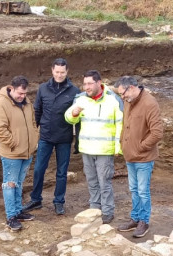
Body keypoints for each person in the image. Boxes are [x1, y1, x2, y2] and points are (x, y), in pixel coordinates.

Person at [22, 58, 81, 216]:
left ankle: (59, 201)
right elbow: (37, 111)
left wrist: (78, 142)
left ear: (67, 72)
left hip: (64, 137)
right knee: (39, 169)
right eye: (57, 72)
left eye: (62, 72)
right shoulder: (43, 88)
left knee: (62, 172)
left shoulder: (74, 92)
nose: (60, 75)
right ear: (52, 71)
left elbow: (78, 117)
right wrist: (35, 132)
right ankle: (36, 199)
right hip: (46, 136)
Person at [64, 70, 123, 224]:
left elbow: (120, 124)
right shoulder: (81, 99)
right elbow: (69, 118)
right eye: (84, 84)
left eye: (90, 83)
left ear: (99, 82)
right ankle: (94, 209)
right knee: (92, 181)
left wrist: (118, 147)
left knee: (105, 182)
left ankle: (107, 211)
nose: (86, 87)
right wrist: (74, 113)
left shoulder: (113, 100)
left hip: (104, 149)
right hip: (87, 148)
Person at [113, 76, 163, 238]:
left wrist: (140, 147)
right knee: (134, 189)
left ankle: (144, 221)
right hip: (130, 155)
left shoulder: (150, 103)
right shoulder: (129, 101)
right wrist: (124, 144)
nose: (122, 97)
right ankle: (135, 218)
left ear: (132, 87)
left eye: (123, 93)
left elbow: (157, 133)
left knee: (142, 191)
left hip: (143, 157)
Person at [0, 76, 39, 231]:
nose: (22, 97)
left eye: (24, 94)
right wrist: (14, 143)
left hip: (27, 151)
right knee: (10, 184)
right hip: (12, 153)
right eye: (19, 93)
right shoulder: (1, 104)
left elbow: (33, 122)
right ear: (11, 89)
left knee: (19, 183)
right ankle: (11, 216)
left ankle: (18, 211)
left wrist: (34, 138)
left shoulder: (27, 103)